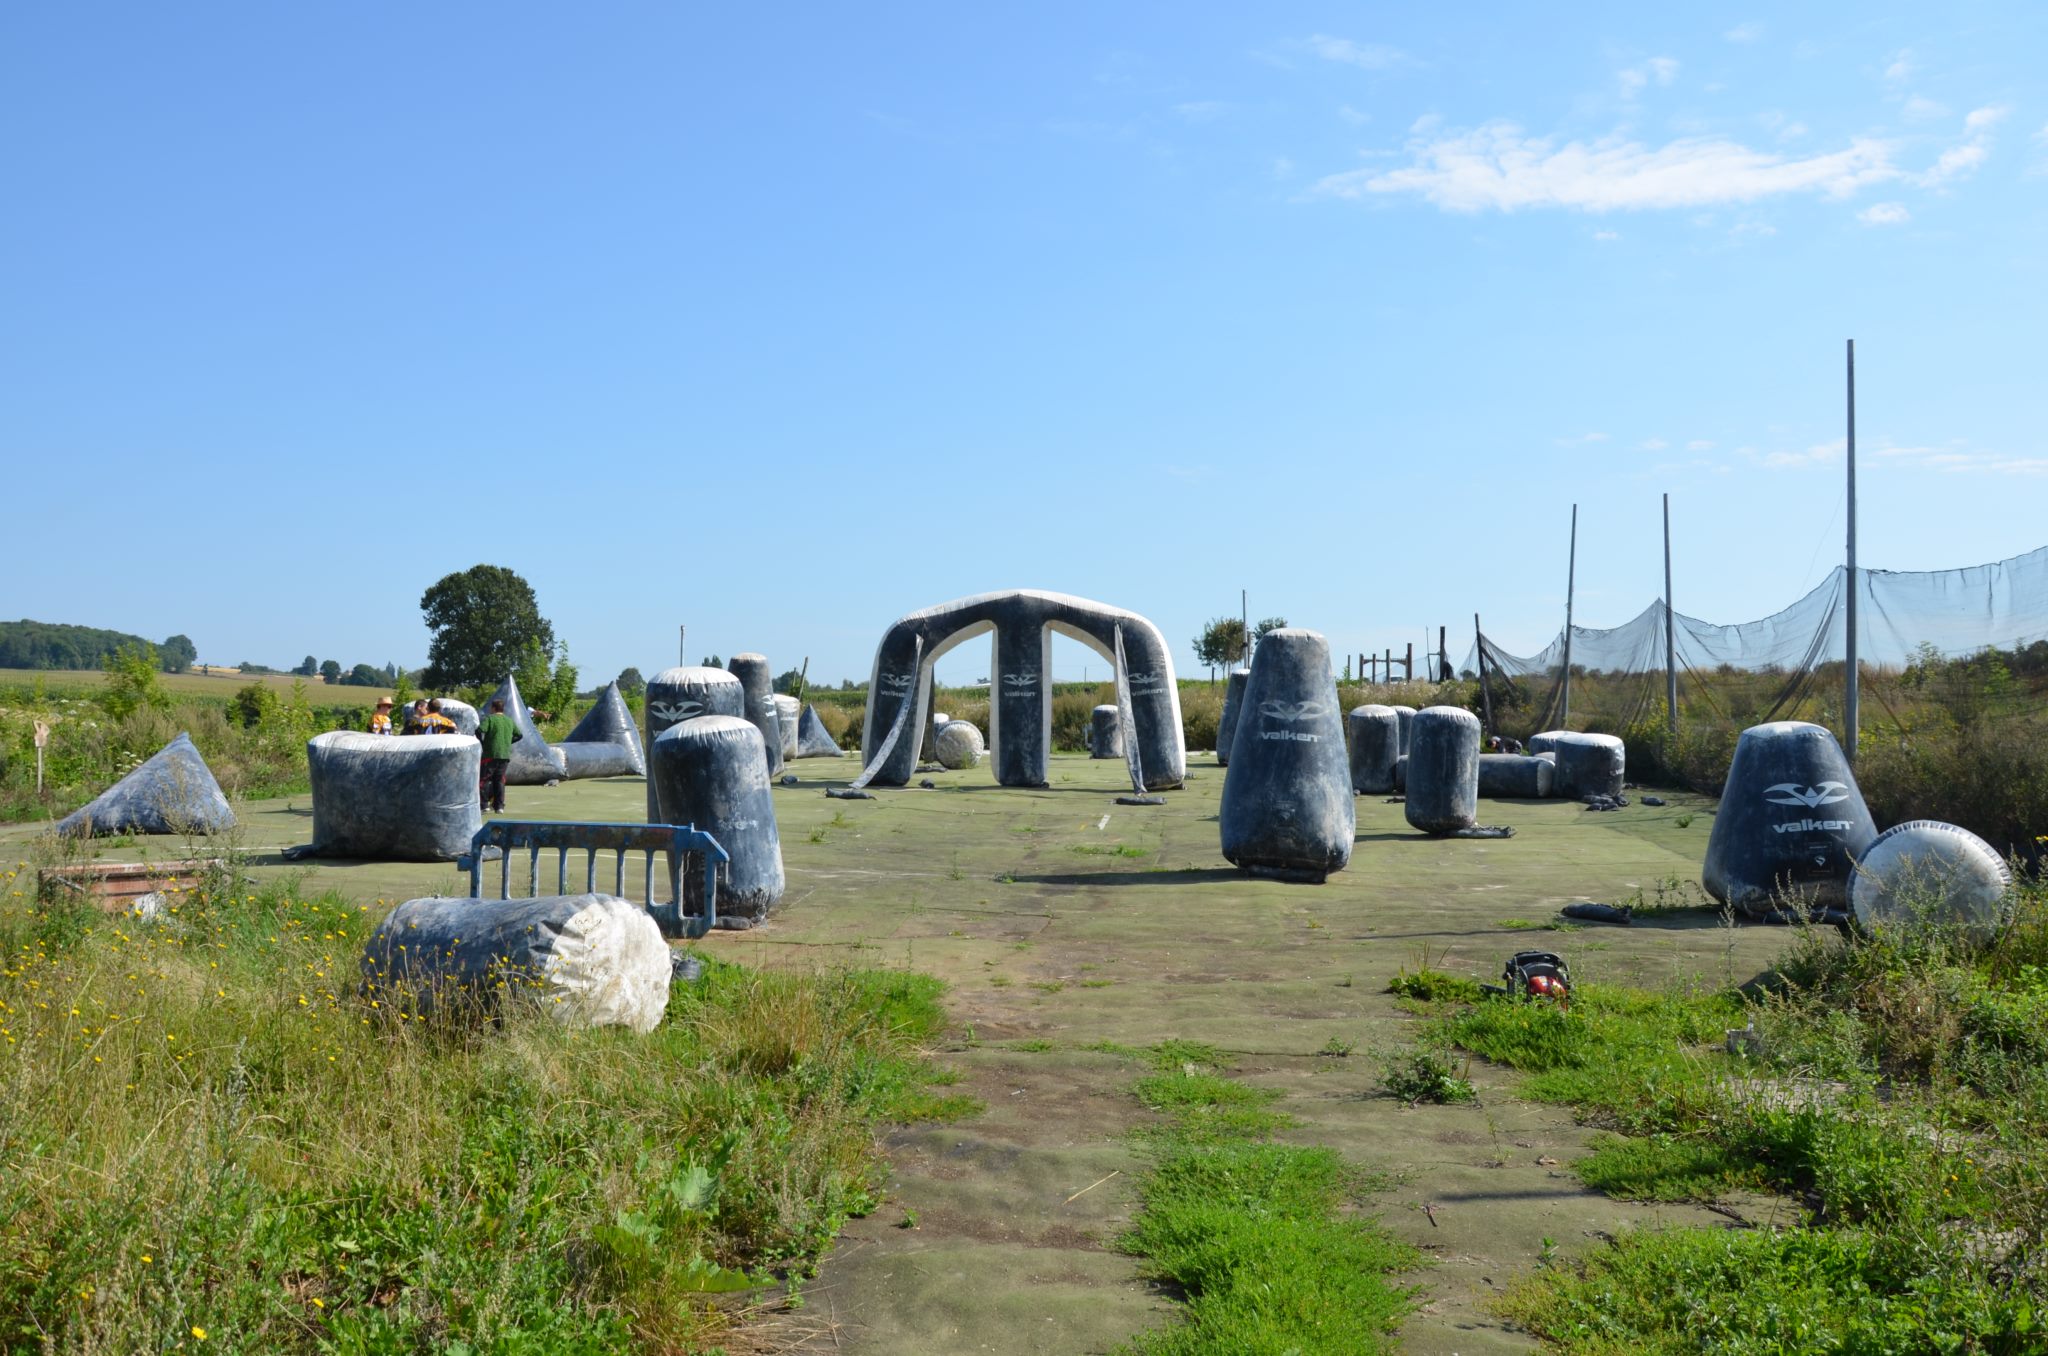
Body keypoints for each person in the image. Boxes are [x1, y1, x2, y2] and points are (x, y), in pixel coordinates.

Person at [476, 698, 521, 813]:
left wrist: (482, 743)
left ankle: (484, 805)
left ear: (493, 708)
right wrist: (509, 742)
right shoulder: (509, 720)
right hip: (504, 755)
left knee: (484, 780)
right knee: (499, 781)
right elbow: (519, 735)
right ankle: (499, 806)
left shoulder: (490, 719)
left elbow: (479, 730)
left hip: (490, 754)